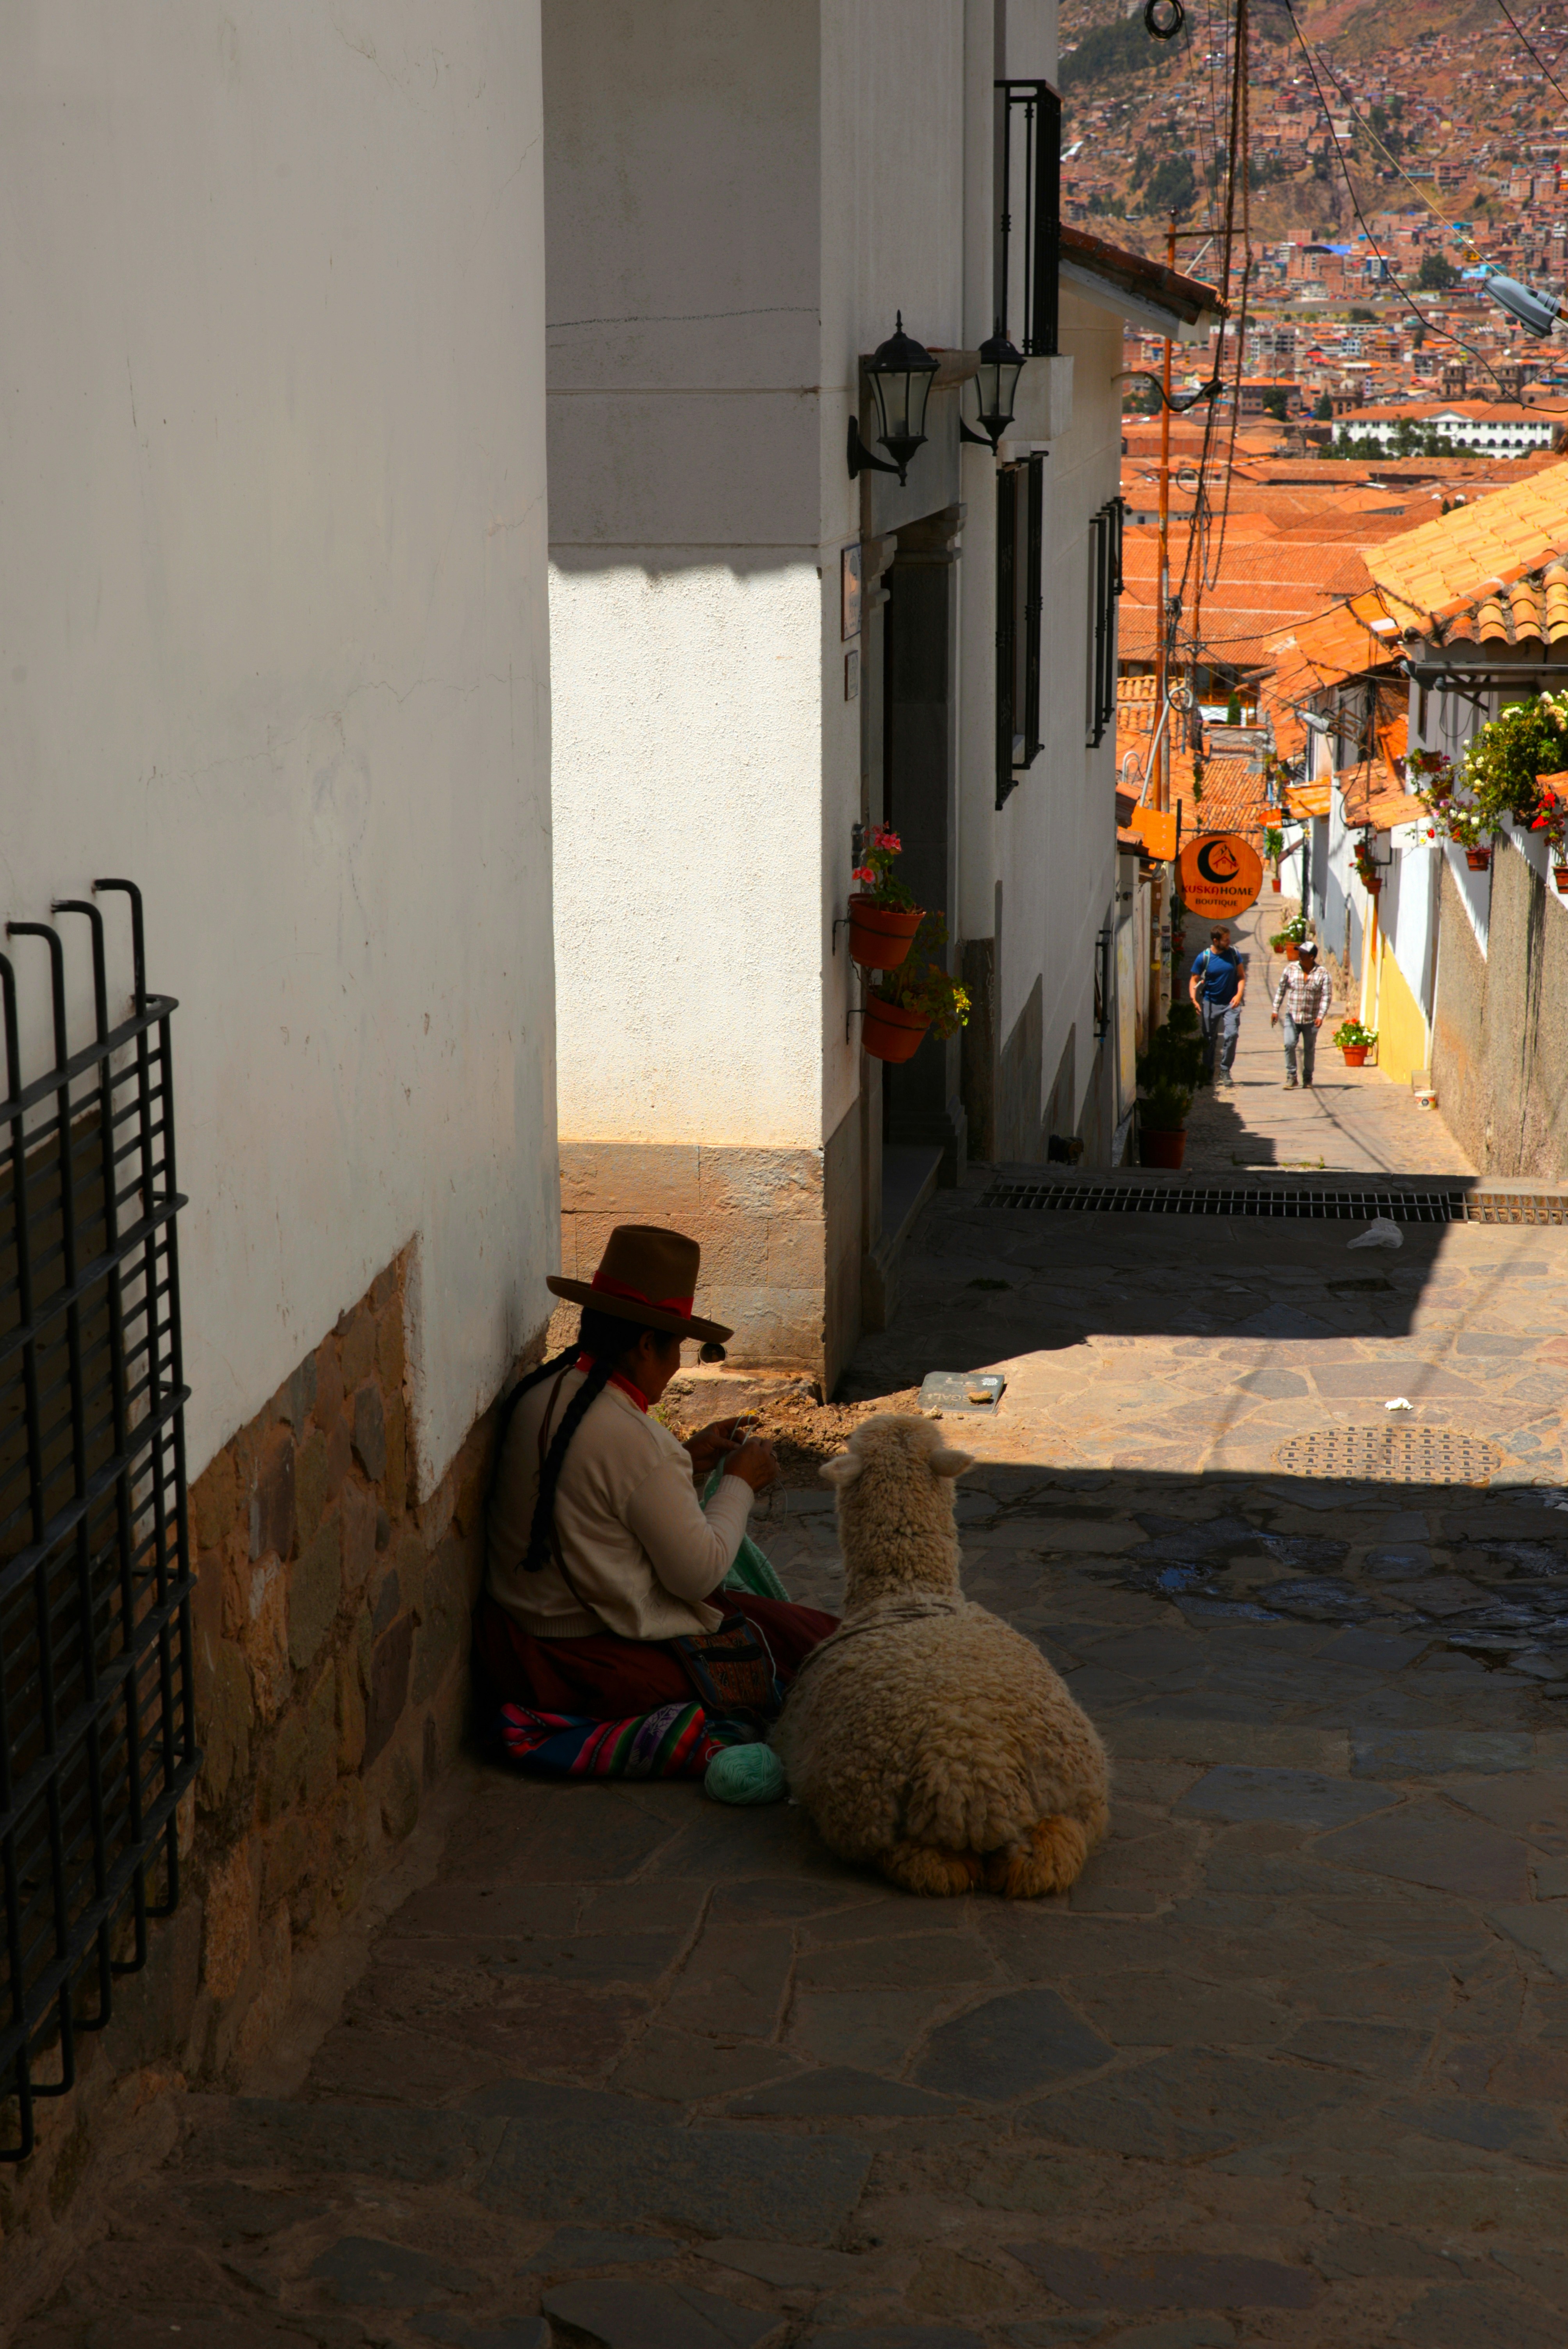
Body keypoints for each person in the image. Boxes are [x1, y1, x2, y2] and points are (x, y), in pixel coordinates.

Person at [473, 1223, 837, 1718]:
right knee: (812, 1648)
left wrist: (685, 1463)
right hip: (589, 1655)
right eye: (678, 1349)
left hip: (518, 1639)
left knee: (792, 1630)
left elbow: (602, 1497)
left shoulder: (541, 1394)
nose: (677, 1365)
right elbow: (697, 1575)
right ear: (647, 1345)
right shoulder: (639, 1440)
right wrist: (738, 1483)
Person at [1188, 924, 1246, 1087]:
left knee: (1232, 1035)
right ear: (1216, 941)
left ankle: (1225, 1070)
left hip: (1231, 1003)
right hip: (1210, 1002)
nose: (1229, 942)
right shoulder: (1204, 957)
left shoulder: (1234, 954)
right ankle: (1207, 1071)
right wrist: (1193, 1000)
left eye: (1229, 939)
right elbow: (1194, 979)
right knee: (1208, 1039)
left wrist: (1239, 995)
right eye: (1226, 940)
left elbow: (1241, 976)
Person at [1270, 939, 1333, 1088]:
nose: (1300, 955)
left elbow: (1327, 996)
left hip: (1311, 1019)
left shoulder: (1323, 974)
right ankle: (1291, 1076)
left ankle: (1308, 1077)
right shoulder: (1290, 969)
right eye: (1300, 952)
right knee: (1289, 1044)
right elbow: (1281, 990)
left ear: (1311, 957)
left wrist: (1321, 1016)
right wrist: (1275, 1010)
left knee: (1309, 1049)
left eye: (1303, 954)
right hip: (1292, 1015)